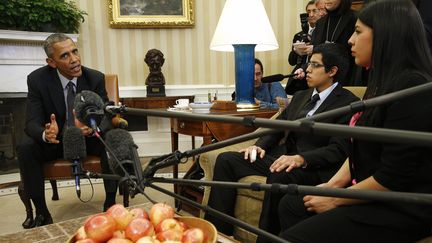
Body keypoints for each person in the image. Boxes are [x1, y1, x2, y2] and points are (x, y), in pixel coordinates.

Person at [278, 1, 432, 242]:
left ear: (385, 36)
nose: (350, 40)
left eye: (358, 32)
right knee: (292, 204)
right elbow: (357, 150)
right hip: (374, 196)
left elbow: (393, 177)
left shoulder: (413, 87)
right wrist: (330, 186)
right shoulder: (381, 84)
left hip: (400, 207)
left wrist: (335, 198)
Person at [205, 43, 359, 237]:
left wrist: (300, 159)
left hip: (311, 167)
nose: (307, 70)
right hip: (282, 157)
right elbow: (278, 126)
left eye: (314, 65)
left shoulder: (347, 102)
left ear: (332, 71)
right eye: (308, 63)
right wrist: (259, 146)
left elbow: (338, 150)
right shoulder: (301, 96)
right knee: (227, 160)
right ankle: (218, 234)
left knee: (279, 176)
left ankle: (266, 240)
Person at [17, 33, 118, 228]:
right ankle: (42, 212)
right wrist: (46, 134)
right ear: (51, 62)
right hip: (57, 141)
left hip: (88, 139)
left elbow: (106, 113)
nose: (74, 60)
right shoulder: (37, 80)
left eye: (75, 52)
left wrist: (94, 125)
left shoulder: (94, 78)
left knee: (111, 138)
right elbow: (31, 122)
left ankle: (110, 203)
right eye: (65, 56)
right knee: (26, 146)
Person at [295, 0, 358, 86]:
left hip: (348, 76)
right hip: (323, 79)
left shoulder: (355, 18)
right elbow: (315, 52)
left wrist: (315, 48)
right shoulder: (321, 22)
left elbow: (352, 50)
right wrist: (303, 68)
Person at [286, 0, 327, 95]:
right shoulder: (299, 35)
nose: (311, 15)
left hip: (317, 74)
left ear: (321, 12)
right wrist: (296, 50)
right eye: (308, 11)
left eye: (314, 11)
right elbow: (291, 61)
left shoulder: (325, 33)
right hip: (300, 76)